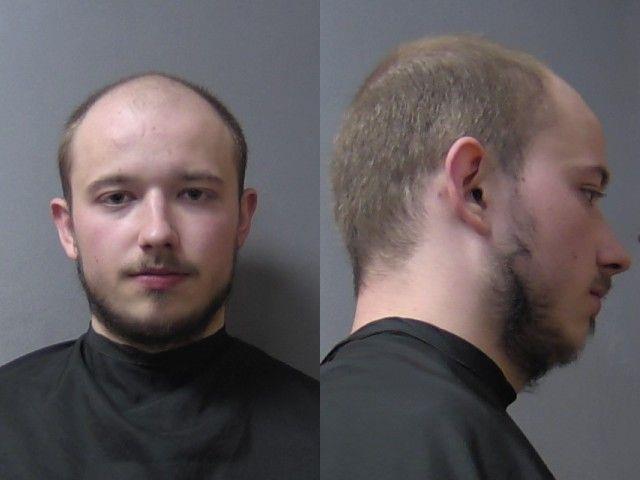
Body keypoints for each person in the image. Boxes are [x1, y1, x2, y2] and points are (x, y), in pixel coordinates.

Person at [321, 35, 630, 479]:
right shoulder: (438, 440)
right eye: (587, 192)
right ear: (475, 188)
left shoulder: (326, 424)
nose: (618, 255)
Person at [0, 73, 318, 479]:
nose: (157, 232)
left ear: (242, 219)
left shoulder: (326, 436)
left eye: (194, 194)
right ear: (68, 228)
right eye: (117, 197)